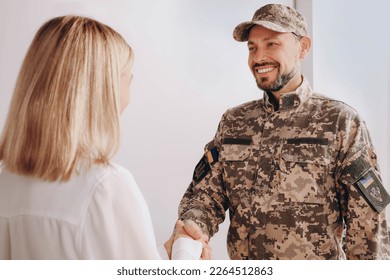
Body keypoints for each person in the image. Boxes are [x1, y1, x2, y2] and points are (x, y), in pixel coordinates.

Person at [167, 4, 390, 259]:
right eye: (252, 47)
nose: (258, 57)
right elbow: (205, 196)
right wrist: (191, 233)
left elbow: (370, 226)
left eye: (271, 44)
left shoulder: (341, 122)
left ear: (303, 47)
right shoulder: (234, 122)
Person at [0, 15, 202, 260]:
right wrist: (187, 251)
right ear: (103, 88)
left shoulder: (7, 181)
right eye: (128, 78)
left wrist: (161, 255)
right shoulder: (104, 187)